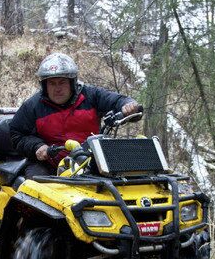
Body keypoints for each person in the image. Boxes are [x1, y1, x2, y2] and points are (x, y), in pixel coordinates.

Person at [10, 52, 140, 177]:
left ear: (72, 82)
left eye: (62, 82)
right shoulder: (33, 105)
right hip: (49, 164)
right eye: (52, 83)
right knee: (35, 190)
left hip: (91, 162)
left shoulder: (91, 95)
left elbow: (117, 101)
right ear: (44, 85)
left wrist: (129, 105)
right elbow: (16, 133)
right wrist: (37, 146)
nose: (57, 88)